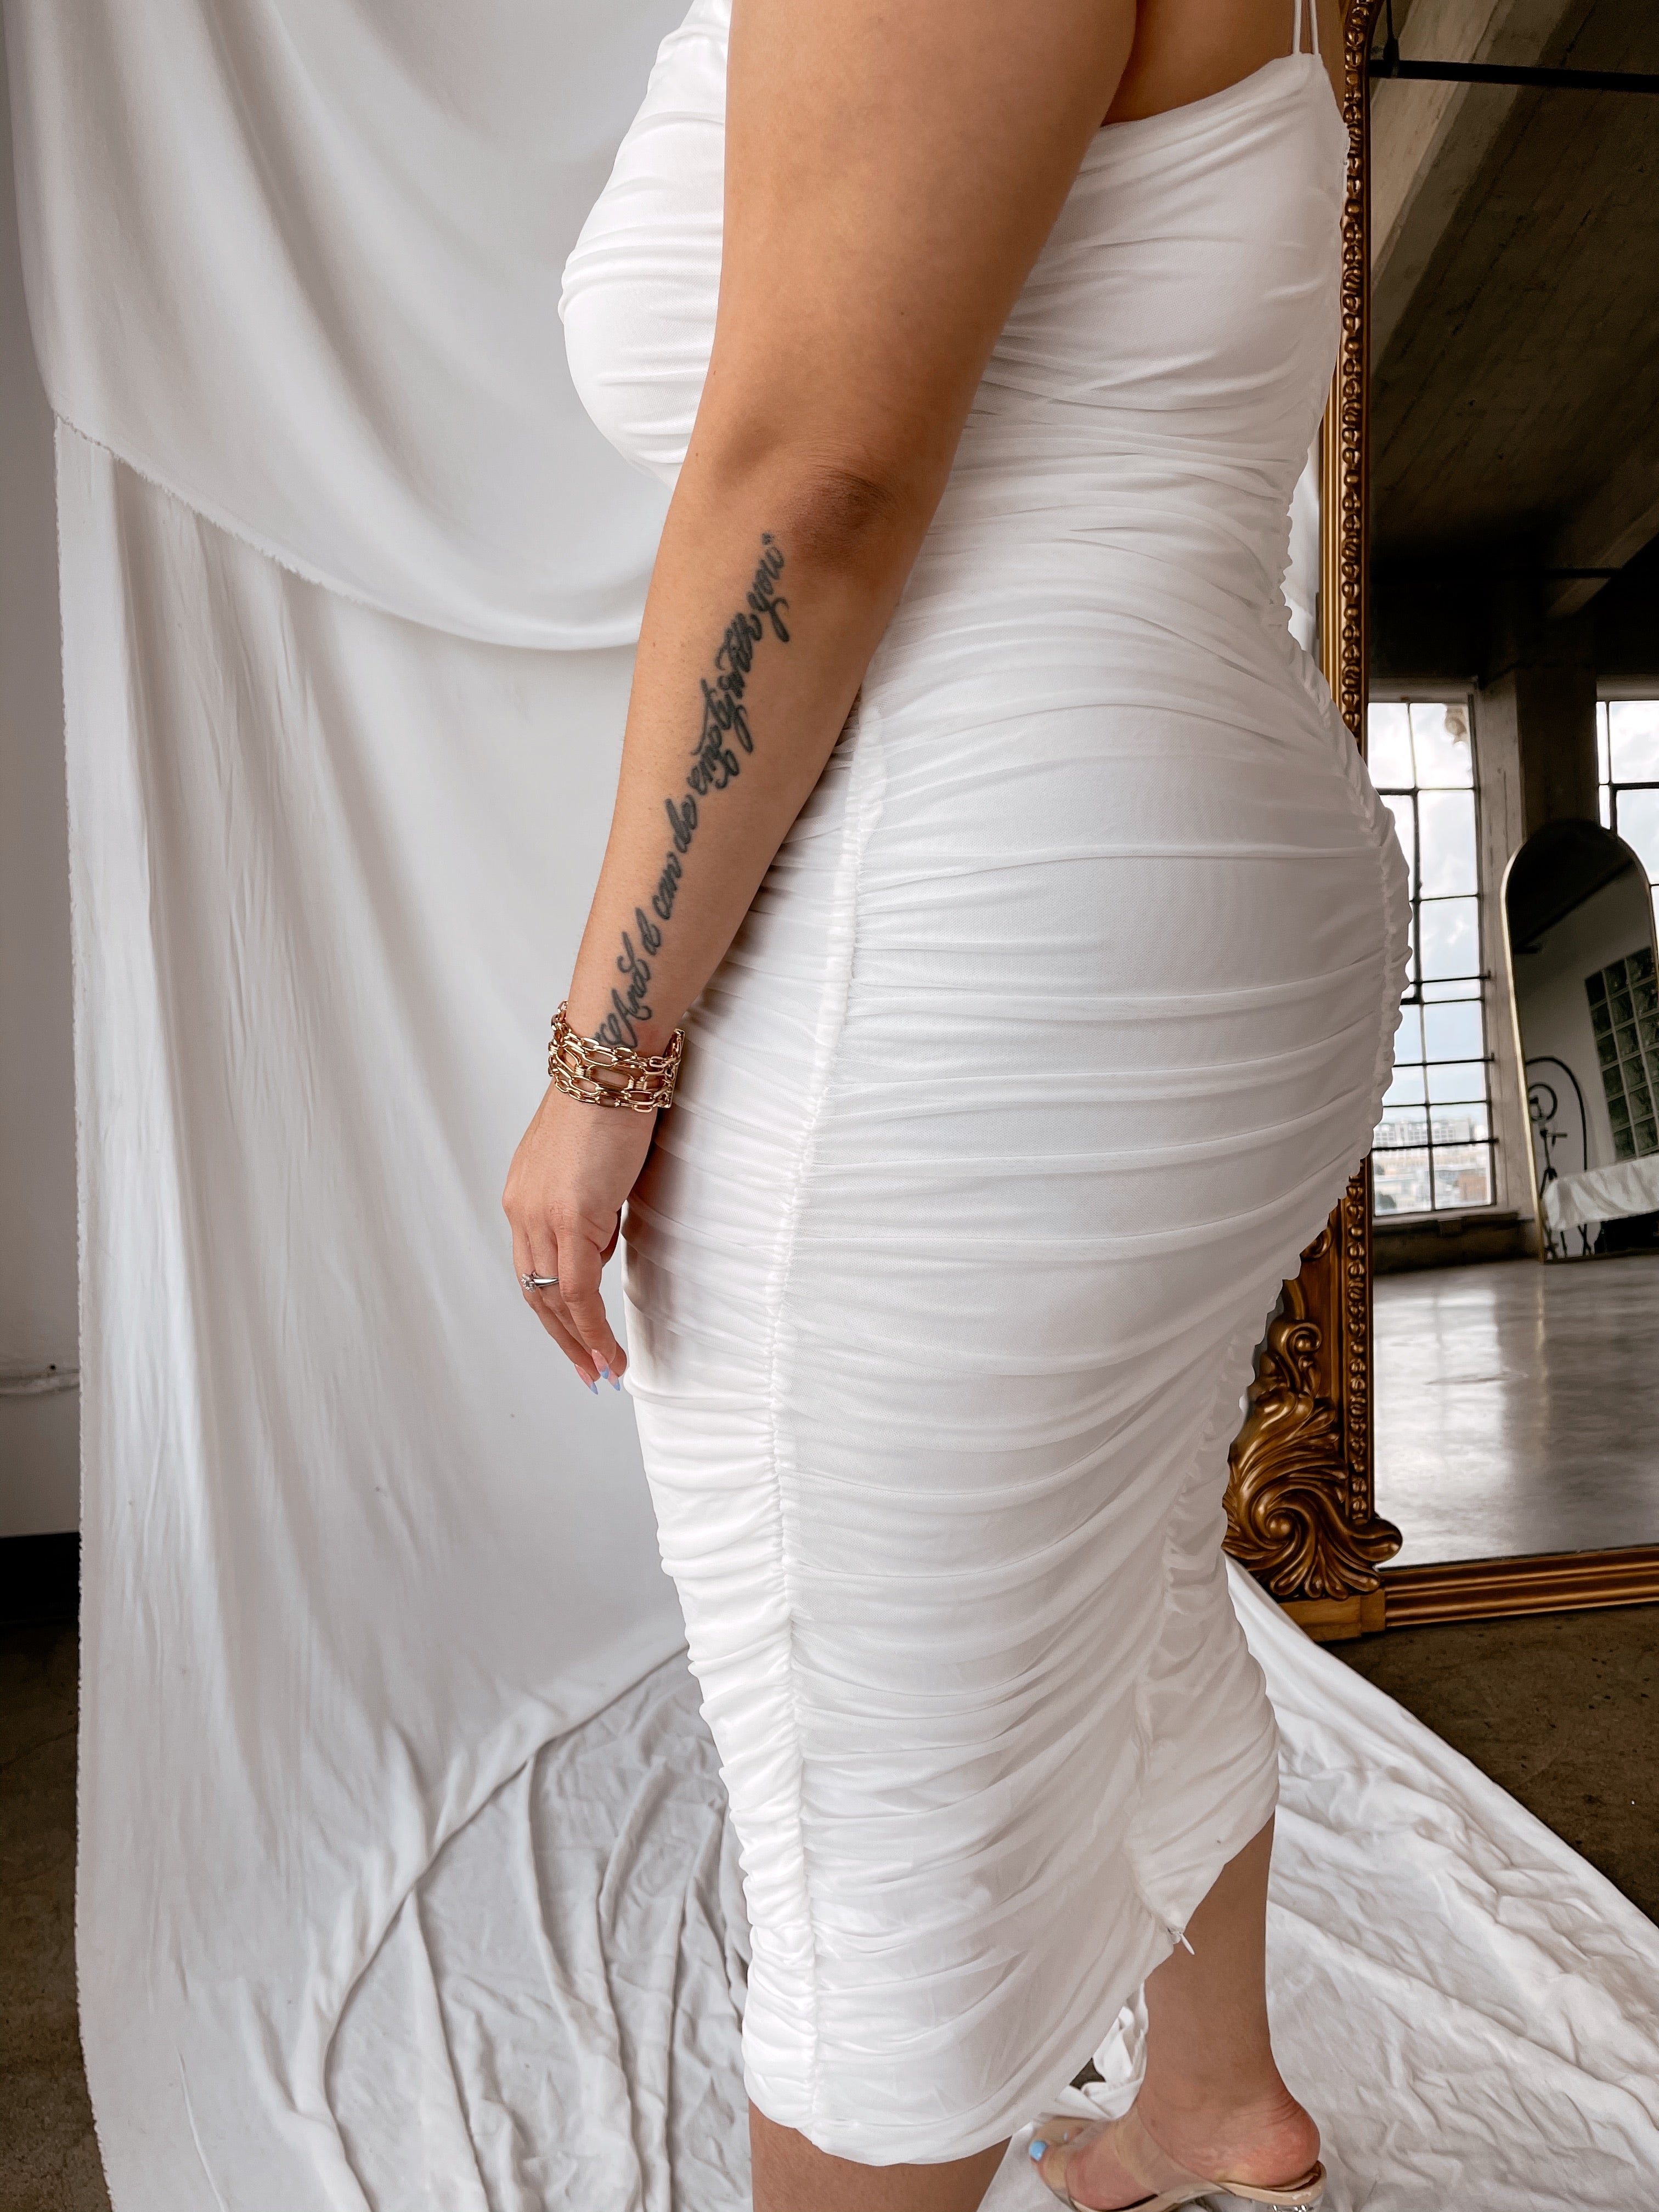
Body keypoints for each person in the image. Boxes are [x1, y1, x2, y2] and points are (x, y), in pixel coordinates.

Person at [504, 0, 1406, 2205]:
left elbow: (813, 483)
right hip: (1191, 903)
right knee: (1131, 1556)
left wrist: (605, 1056)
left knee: (871, 1835)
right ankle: (1213, 2106)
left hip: (983, 948)